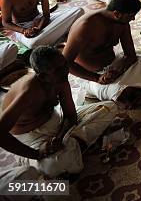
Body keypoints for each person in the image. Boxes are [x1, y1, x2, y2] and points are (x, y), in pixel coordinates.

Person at [0, 46, 117, 181]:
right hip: (31, 137)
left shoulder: (60, 79)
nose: (65, 71)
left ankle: (71, 147)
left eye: (64, 64)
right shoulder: (28, 92)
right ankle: (65, 150)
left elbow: (70, 116)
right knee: (51, 166)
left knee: (109, 108)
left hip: (55, 123)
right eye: (57, 69)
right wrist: (37, 153)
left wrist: (60, 137)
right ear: (42, 76)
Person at [62, 0, 141, 105]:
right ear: (117, 14)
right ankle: (128, 89)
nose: (133, 19)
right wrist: (97, 78)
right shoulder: (86, 27)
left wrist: (120, 68)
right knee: (123, 94)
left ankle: (136, 86)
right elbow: (65, 63)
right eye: (131, 15)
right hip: (92, 76)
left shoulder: (122, 22)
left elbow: (131, 55)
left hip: (116, 65)